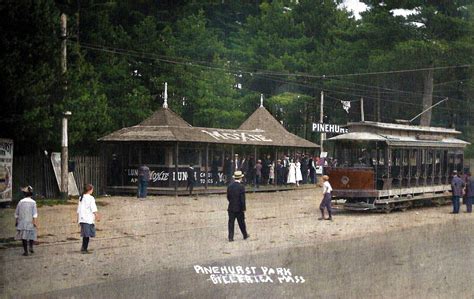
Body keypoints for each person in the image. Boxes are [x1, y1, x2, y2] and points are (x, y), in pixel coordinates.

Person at [15, 186, 38, 256]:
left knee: (23, 237)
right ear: (31, 194)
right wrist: (34, 222)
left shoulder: (20, 202)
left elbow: (17, 213)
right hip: (30, 221)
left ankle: (26, 251)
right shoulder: (33, 202)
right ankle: (31, 247)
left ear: (24, 194)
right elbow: (34, 213)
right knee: (31, 235)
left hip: (22, 222)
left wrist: (16, 221)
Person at [227, 171, 249, 242]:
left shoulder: (230, 186)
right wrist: (243, 208)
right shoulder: (241, 187)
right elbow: (242, 199)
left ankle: (230, 237)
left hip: (231, 207)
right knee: (241, 222)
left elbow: (228, 197)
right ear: (240, 178)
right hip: (239, 208)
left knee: (231, 223)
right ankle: (245, 234)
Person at [77, 184, 100, 254]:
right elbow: (93, 208)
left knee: (85, 235)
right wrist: (97, 216)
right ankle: (84, 249)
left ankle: (83, 248)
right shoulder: (91, 198)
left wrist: (78, 219)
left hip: (82, 219)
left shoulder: (81, 197)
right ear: (90, 190)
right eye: (92, 189)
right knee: (87, 235)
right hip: (88, 219)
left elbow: (79, 209)